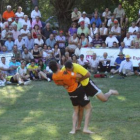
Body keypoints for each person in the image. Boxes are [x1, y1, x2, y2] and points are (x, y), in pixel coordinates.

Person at [63, 61, 119, 130]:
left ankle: (110, 92)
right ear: (66, 68)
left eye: (71, 69)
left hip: (87, 84)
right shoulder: (63, 70)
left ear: (72, 67)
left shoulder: (77, 67)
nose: (70, 71)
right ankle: (78, 126)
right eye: (69, 70)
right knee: (81, 108)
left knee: (104, 99)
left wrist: (79, 80)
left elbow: (88, 74)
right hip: (79, 88)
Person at [49, 60, 93, 134]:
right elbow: (79, 76)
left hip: (70, 92)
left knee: (76, 110)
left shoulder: (54, 76)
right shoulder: (66, 73)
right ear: (57, 66)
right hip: (78, 90)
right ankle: (85, 128)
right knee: (89, 108)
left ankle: (73, 129)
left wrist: (65, 84)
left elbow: (58, 84)